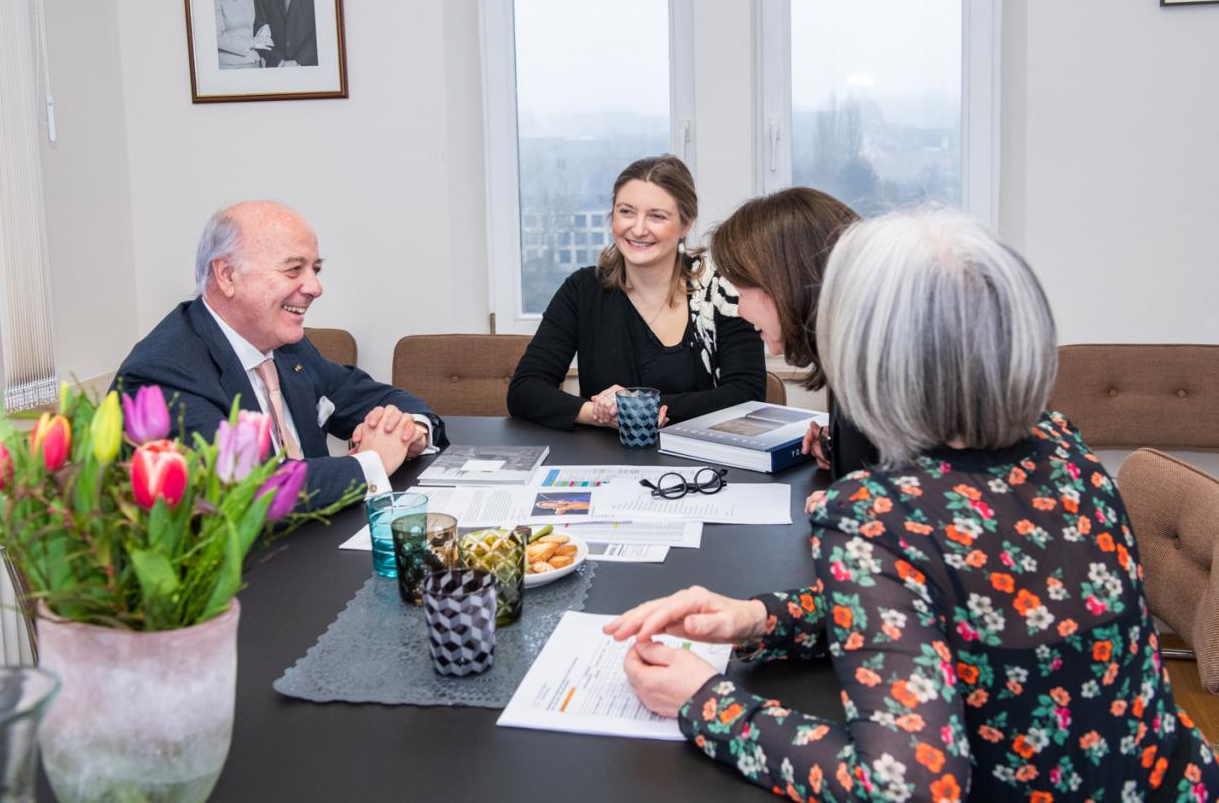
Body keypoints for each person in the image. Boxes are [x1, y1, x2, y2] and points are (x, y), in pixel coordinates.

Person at [606, 209, 1217, 799]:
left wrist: (705, 702)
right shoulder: (1063, 447)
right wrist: (760, 619)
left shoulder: (874, 517)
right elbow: (943, 601)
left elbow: (904, 787)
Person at [114, 200, 446, 512]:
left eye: (315, 269)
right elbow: (249, 490)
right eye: (293, 270)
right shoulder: (163, 372)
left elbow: (375, 396)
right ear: (228, 275)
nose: (315, 287)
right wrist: (373, 462)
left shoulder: (287, 347)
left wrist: (408, 431)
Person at [507, 155, 766, 431]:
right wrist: (600, 414)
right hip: (608, 460)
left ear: (686, 224)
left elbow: (747, 393)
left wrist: (643, 407)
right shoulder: (582, 290)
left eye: (656, 216)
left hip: (703, 462)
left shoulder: (722, 292)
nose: (638, 229)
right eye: (626, 212)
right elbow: (524, 390)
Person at [709, 187, 877, 485]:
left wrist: (847, 504)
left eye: (742, 292)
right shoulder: (854, 357)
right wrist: (838, 446)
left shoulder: (880, 376)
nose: (739, 310)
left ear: (786, 285)